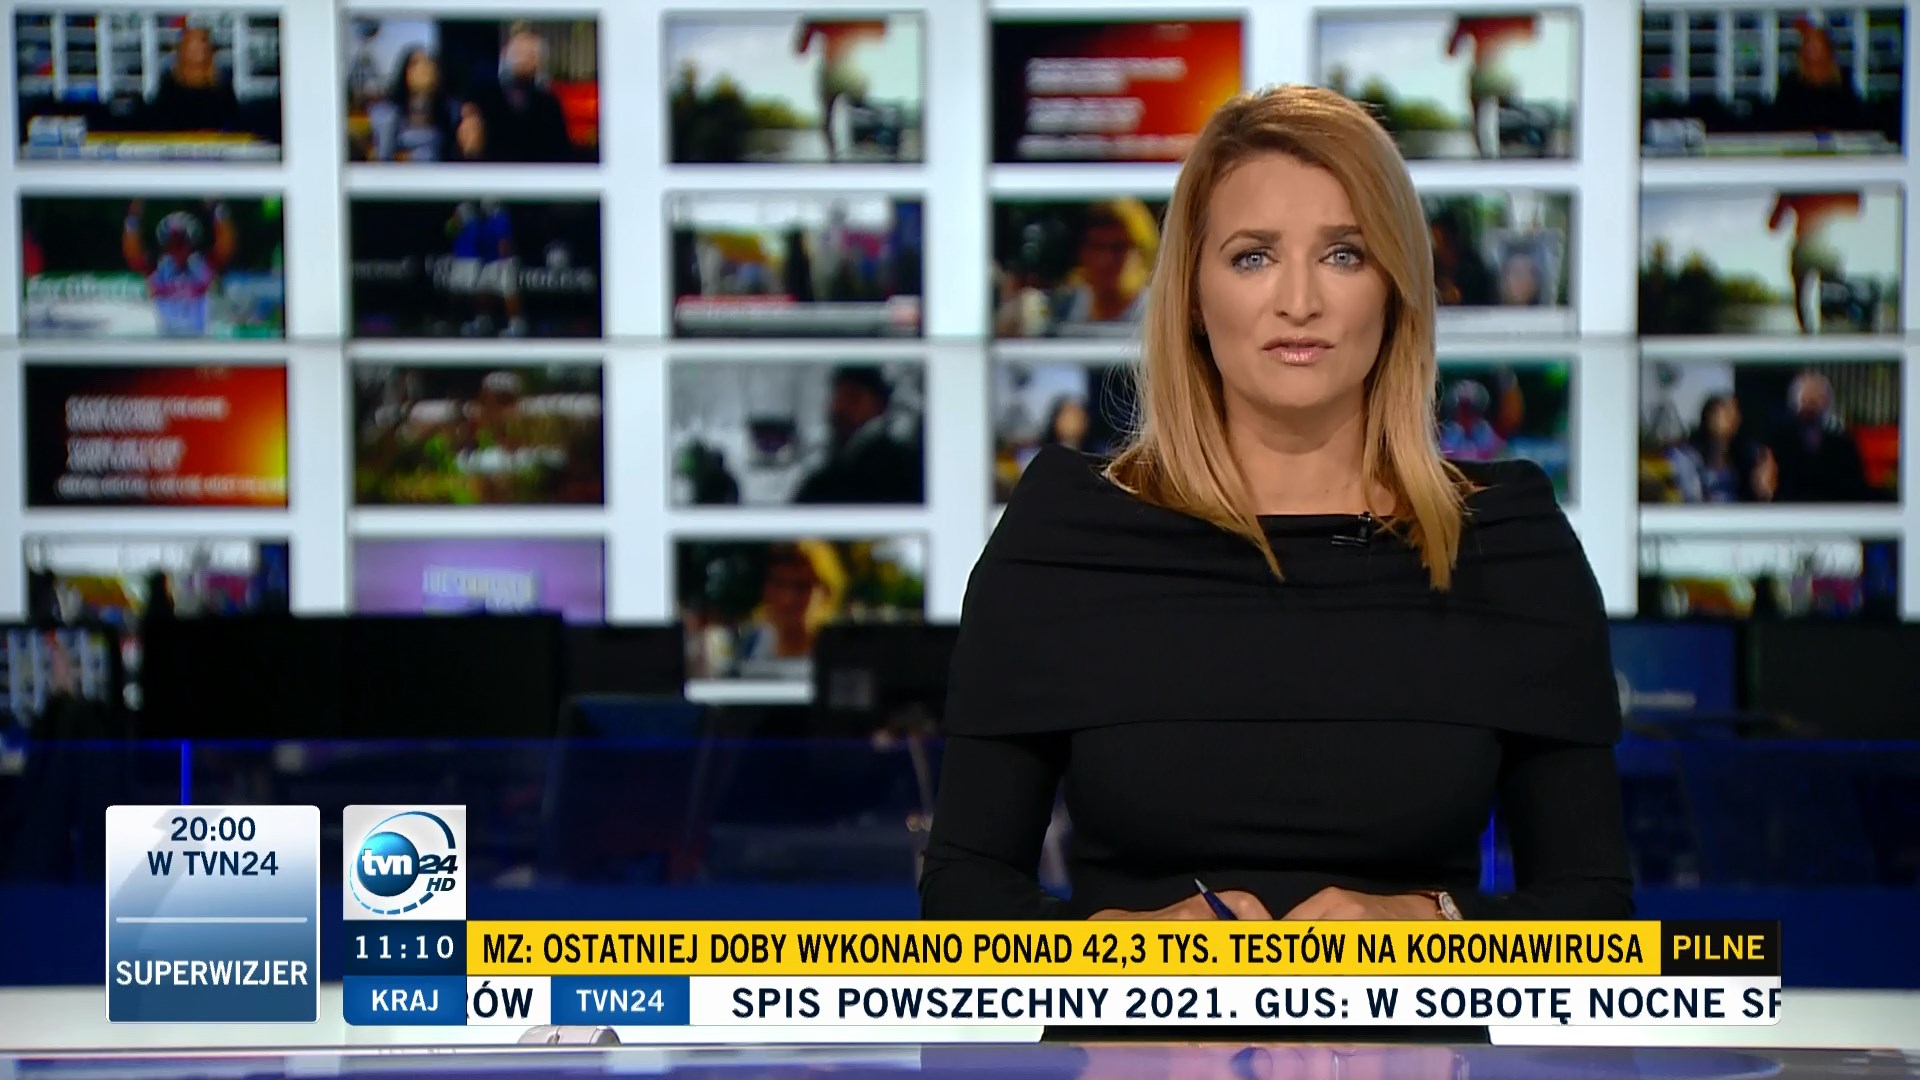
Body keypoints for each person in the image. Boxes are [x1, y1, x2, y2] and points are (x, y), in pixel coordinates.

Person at [920, 86, 1630, 1037]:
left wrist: (1438, 933)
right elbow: (961, 901)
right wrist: (1101, 954)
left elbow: (1597, 922)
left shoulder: (1506, 542)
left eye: (1344, 254)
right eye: (1253, 256)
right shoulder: (1066, 533)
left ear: (1396, 286)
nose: (1300, 300)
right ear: (1193, 296)